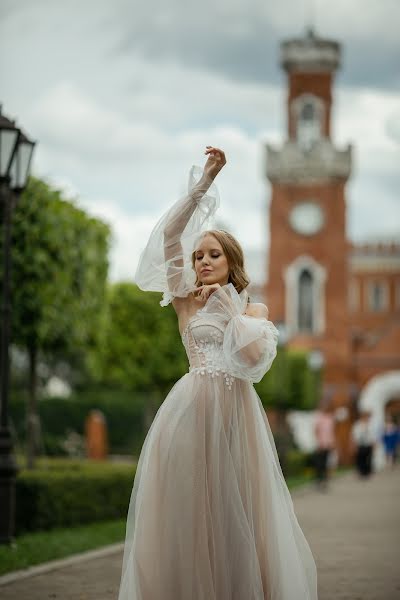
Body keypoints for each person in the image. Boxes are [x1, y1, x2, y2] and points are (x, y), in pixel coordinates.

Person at [117, 147, 318, 600]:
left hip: (237, 416)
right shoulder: (186, 300)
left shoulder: (255, 308)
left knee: (238, 509)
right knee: (190, 509)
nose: (203, 261)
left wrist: (229, 305)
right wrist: (204, 184)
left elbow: (252, 361)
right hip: (189, 412)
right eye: (199, 256)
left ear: (231, 261)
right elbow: (170, 236)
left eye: (213, 255)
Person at [313, 402, 335, 490]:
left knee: (326, 464)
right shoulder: (319, 417)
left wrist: (333, 443)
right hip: (321, 445)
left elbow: (331, 432)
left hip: (328, 444)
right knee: (319, 464)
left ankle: (324, 482)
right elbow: (316, 431)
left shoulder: (330, 418)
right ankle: (319, 481)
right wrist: (319, 443)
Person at [351, 410, 376, 477]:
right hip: (360, 444)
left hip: (368, 443)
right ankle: (361, 472)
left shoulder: (371, 424)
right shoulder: (357, 424)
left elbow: (373, 435)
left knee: (368, 459)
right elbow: (354, 435)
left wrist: (374, 444)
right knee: (361, 459)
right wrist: (354, 445)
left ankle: (368, 472)